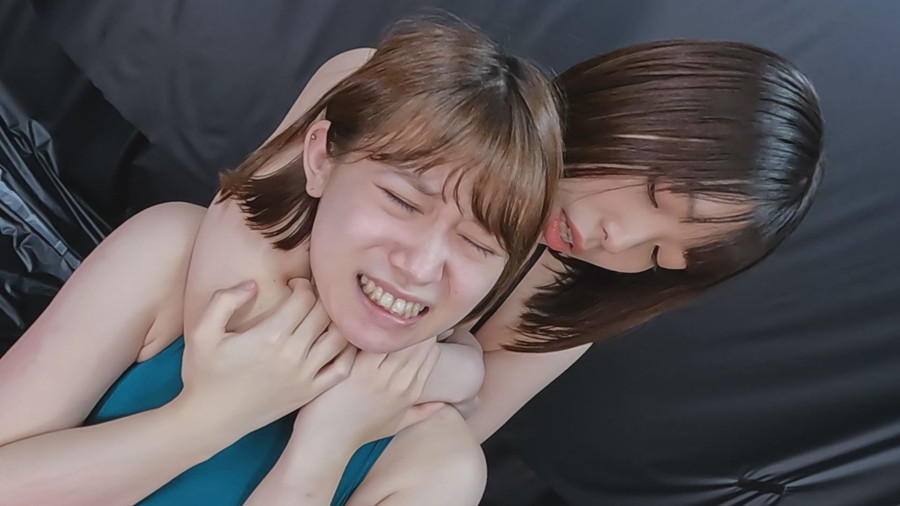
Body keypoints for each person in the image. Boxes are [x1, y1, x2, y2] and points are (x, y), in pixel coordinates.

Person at [0, 16, 563, 506]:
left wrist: (323, 449)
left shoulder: (437, 466)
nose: (419, 268)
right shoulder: (168, 258)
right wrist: (206, 420)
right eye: (402, 202)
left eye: (478, 245)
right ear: (320, 159)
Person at [299, 39, 823, 499]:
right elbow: (258, 255)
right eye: (652, 195)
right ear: (636, 107)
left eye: (657, 255)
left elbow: (439, 438)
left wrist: (461, 378)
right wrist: (459, 368)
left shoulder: (563, 312)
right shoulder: (402, 103)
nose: (619, 240)